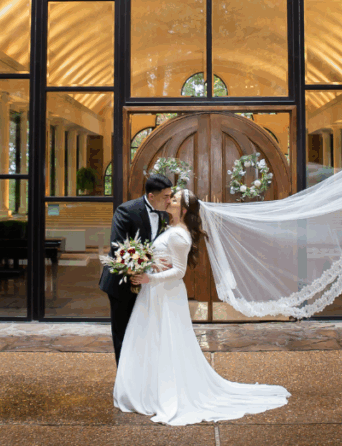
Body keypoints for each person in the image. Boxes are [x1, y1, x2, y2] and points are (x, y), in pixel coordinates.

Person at [113, 189, 290, 426]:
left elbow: (179, 272)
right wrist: (150, 266)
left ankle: (163, 392)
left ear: (183, 210)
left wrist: (149, 278)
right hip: (157, 293)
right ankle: (149, 389)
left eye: (174, 200)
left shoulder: (179, 235)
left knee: (166, 340)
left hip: (164, 294)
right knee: (153, 338)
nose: (169, 201)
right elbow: (165, 261)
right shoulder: (173, 229)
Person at [99, 174, 172, 366]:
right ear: (151, 196)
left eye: (170, 196)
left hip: (147, 284)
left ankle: (139, 376)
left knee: (142, 333)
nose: (169, 200)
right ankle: (124, 382)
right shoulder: (126, 210)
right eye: (165, 196)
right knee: (123, 333)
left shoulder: (164, 214)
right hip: (122, 284)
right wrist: (150, 261)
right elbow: (118, 248)